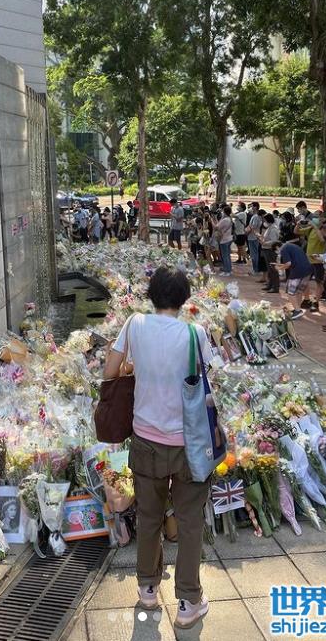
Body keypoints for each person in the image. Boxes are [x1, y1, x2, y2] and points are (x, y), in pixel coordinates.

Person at [103, 267, 213, 629]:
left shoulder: (135, 324)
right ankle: (188, 603)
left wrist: (136, 371)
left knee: (149, 518)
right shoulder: (195, 334)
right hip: (189, 444)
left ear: (151, 294)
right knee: (190, 522)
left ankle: (148, 590)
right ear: (184, 299)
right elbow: (208, 377)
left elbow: (110, 371)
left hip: (146, 440)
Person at [294, 213, 326, 313]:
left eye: (319, 218)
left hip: (318, 261)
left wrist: (315, 227)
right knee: (304, 280)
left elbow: (322, 240)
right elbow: (296, 232)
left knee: (319, 282)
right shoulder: (311, 229)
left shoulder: (324, 231)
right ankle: (307, 299)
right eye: (315, 218)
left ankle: (316, 303)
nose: (316, 219)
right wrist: (298, 224)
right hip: (308, 260)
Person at [274, 241, 313, 319]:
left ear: (277, 247)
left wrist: (279, 268)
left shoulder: (283, 249)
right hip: (308, 269)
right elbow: (293, 261)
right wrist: (281, 265)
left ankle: (298, 310)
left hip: (298, 271)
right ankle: (297, 308)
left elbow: (288, 263)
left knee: (290, 292)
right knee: (298, 291)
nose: (277, 252)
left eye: (276, 251)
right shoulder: (293, 246)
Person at [258, 214, 280, 291]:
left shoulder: (273, 229)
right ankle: (270, 285)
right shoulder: (270, 228)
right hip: (267, 249)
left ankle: (275, 286)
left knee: (273, 269)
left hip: (270, 250)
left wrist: (264, 243)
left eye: (264, 220)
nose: (264, 222)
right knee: (270, 269)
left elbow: (274, 241)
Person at [246, 202, 262, 275]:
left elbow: (253, 226)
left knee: (254, 254)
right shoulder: (255, 216)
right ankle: (255, 269)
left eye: (252, 206)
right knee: (254, 254)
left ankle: (256, 270)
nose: (251, 208)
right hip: (253, 237)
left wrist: (246, 232)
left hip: (253, 237)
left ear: (255, 207)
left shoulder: (256, 216)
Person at [216, 206, 233, 276]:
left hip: (224, 240)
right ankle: (229, 269)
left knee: (225, 256)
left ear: (224, 212)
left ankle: (227, 271)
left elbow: (216, 227)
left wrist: (213, 219)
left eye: (223, 211)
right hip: (229, 239)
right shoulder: (229, 219)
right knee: (227, 256)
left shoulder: (225, 220)